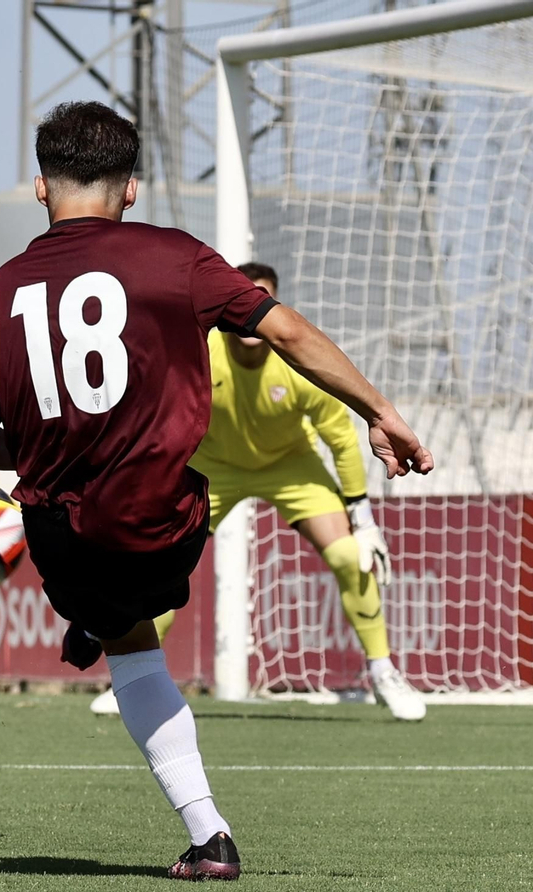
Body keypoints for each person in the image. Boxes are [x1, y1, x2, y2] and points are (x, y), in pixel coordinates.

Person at [0, 101, 433, 881]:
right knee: (140, 599)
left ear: (40, 188)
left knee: (124, 636)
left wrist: (28, 442)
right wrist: (383, 413)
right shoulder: (174, 258)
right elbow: (288, 333)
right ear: (132, 190)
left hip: (60, 533)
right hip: (164, 523)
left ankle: (202, 822)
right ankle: (113, 636)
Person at [90, 262, 426, 722]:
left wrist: (362, 519)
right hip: (213, 469)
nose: (250, 312)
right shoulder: (197, 355)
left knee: (353, 556)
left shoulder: (303, 361)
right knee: (158, 573)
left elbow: (342, 439)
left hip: (292, 468)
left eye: (261, 300)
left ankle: (383, 672)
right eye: (242, 300)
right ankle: (132, 679)